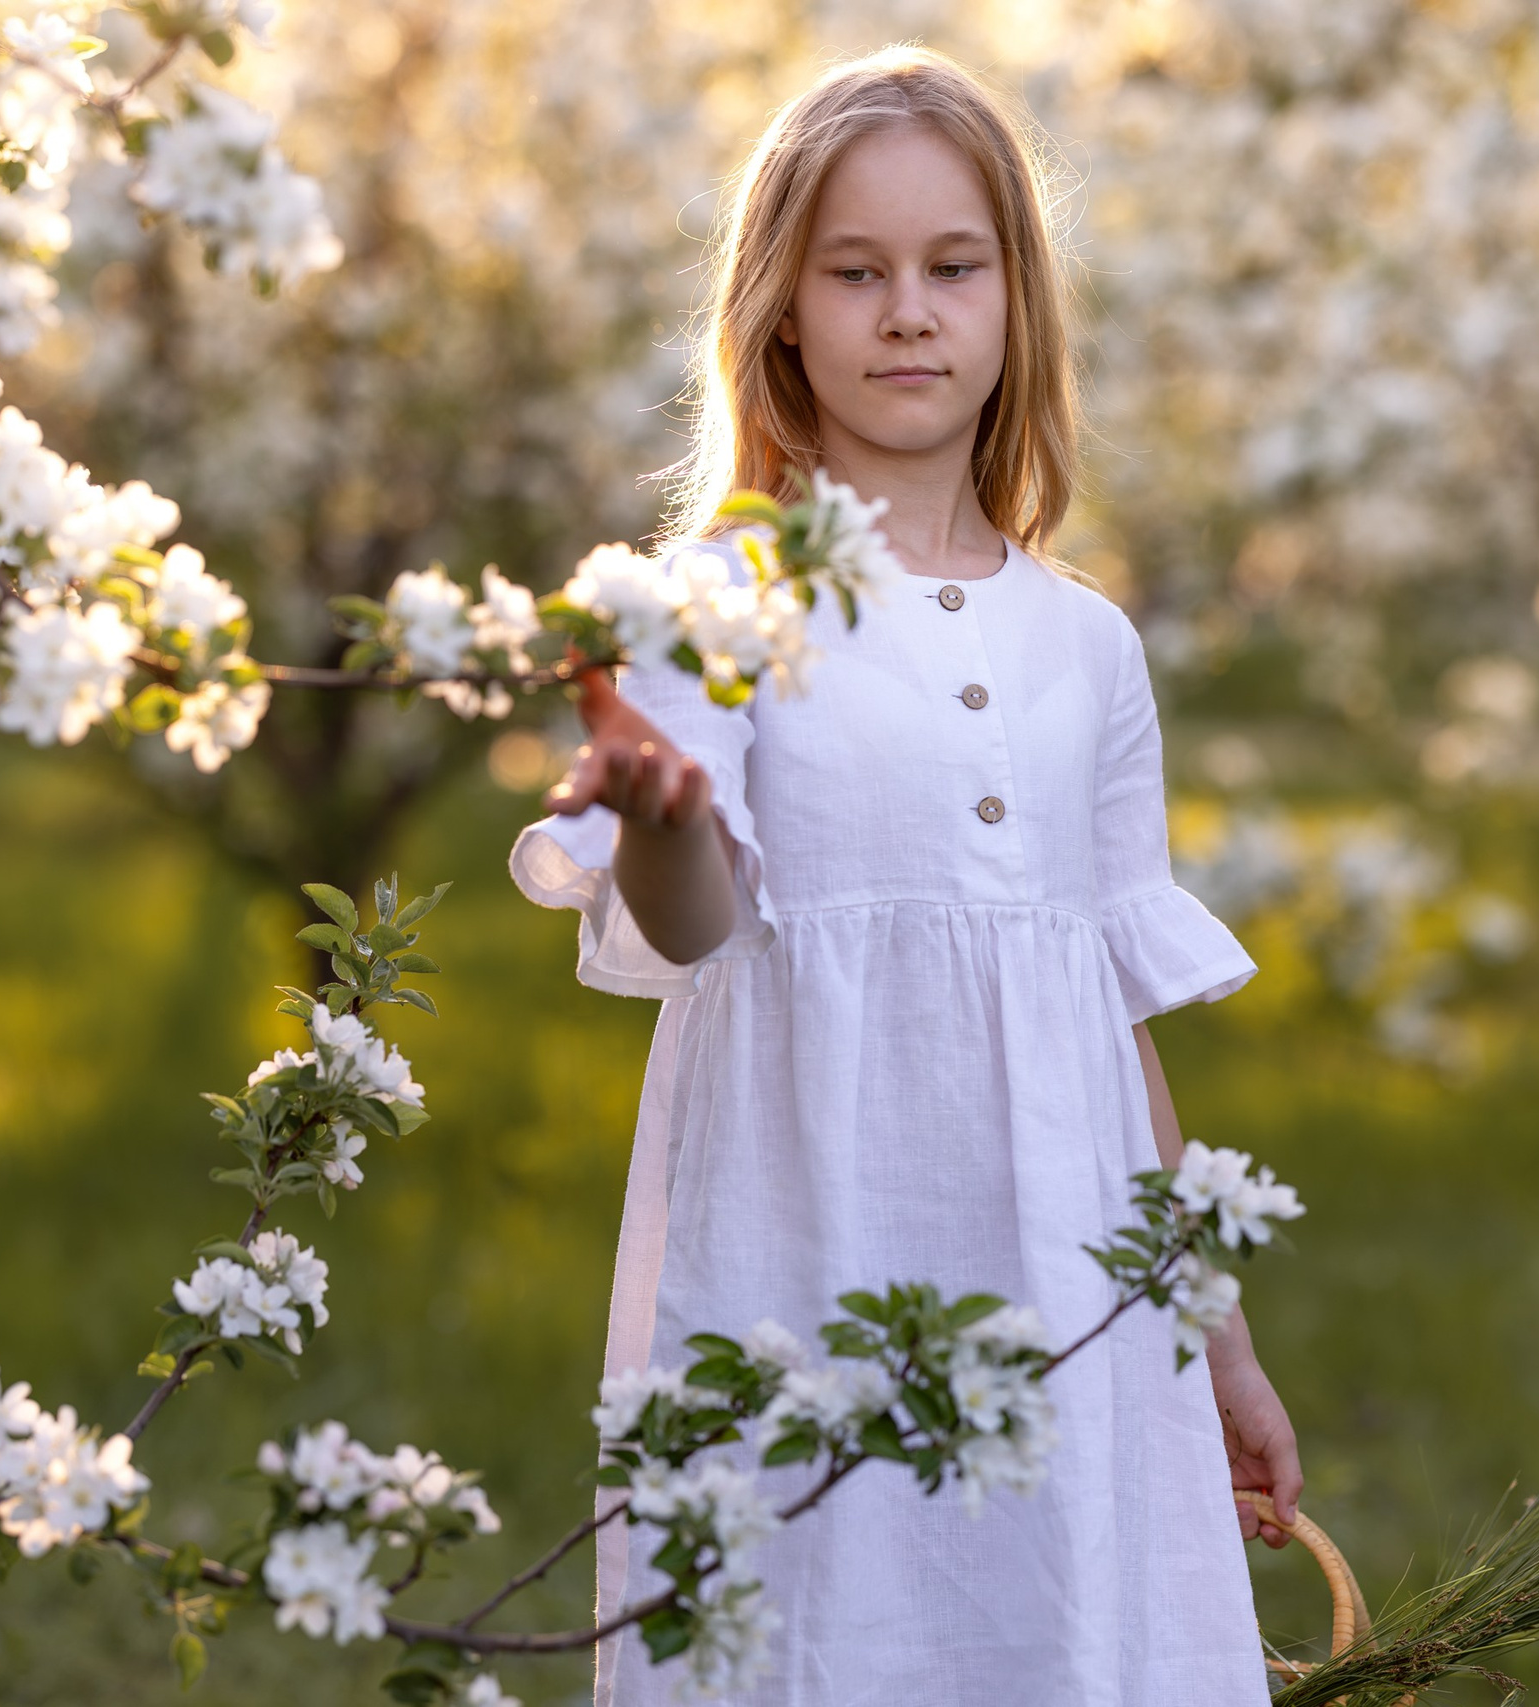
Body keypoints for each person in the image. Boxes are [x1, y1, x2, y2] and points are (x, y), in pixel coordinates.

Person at [509, 45, 1298, 1707]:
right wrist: (660, 818)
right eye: (855, 273)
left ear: (1018, 299)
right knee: (832, 1632)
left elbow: (1115, 1025)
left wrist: (1218, 1346)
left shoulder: (1086, 644)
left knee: (1064, 1627)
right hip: (813, 1252)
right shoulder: (719, 603)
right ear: (782, 308)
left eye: (953, 267)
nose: (908, 313)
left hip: (1070, 1290)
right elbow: (694, 929)